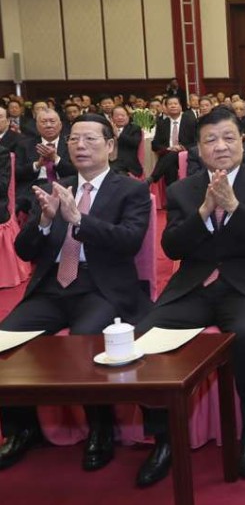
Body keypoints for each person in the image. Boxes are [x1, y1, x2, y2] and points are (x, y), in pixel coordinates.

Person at [133, 107, 245, 487]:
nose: (221, 146)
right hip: (195, 285)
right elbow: (171, 248)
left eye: (228, 138)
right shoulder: (183, 189)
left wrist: (234, 207)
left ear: (242, 141)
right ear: (199, 149)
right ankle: (164, 438)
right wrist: (204, 211)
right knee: (145, 337)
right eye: (210, 140)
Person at [0, 114, 151, 472]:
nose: (80, 146)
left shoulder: (129, 189)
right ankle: (21, 429)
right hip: (52, 289)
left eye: (90, 139)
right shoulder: (57, 186)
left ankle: (100, 427)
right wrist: (47, 220)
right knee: (5, 339)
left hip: (100, 287)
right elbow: (24, 251)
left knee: (85, 340)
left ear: (111, 147)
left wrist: (79, 220)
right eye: (74, 140)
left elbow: (129, 241)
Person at [15, 108, 74, 215]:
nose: (48, 125)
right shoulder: (24, 144)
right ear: (37, 126)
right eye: (44, 122)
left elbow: (76, 171)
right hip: (33, 188)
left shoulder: (71, 144)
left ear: (60, 125)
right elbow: (16, 172)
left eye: (52, 121)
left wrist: (55, 159)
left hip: (63, 186)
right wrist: (37, 165)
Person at [148, 95, 196, 187]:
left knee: (172, 156)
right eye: (170, 104)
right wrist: (168, 148)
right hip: (169, 155)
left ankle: (153, 178)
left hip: (185, 154)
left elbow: (196, 142)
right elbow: (155, 145)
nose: (173, 106)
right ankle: (173, 195)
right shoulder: (162, 124)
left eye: (175, 104)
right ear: (165, 107)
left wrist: (182, 147)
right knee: (171, 164)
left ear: (180, 106)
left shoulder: (190, 121)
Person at [109, 105, 143, 177]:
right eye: (117, 116)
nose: (120, 117)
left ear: (128, 116)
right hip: (108, 161)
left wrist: (119, 135)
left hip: (127, 163)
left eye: (123, 115)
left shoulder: (135, 128)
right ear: (111, 118)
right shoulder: (107, 129)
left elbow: (135, 143)